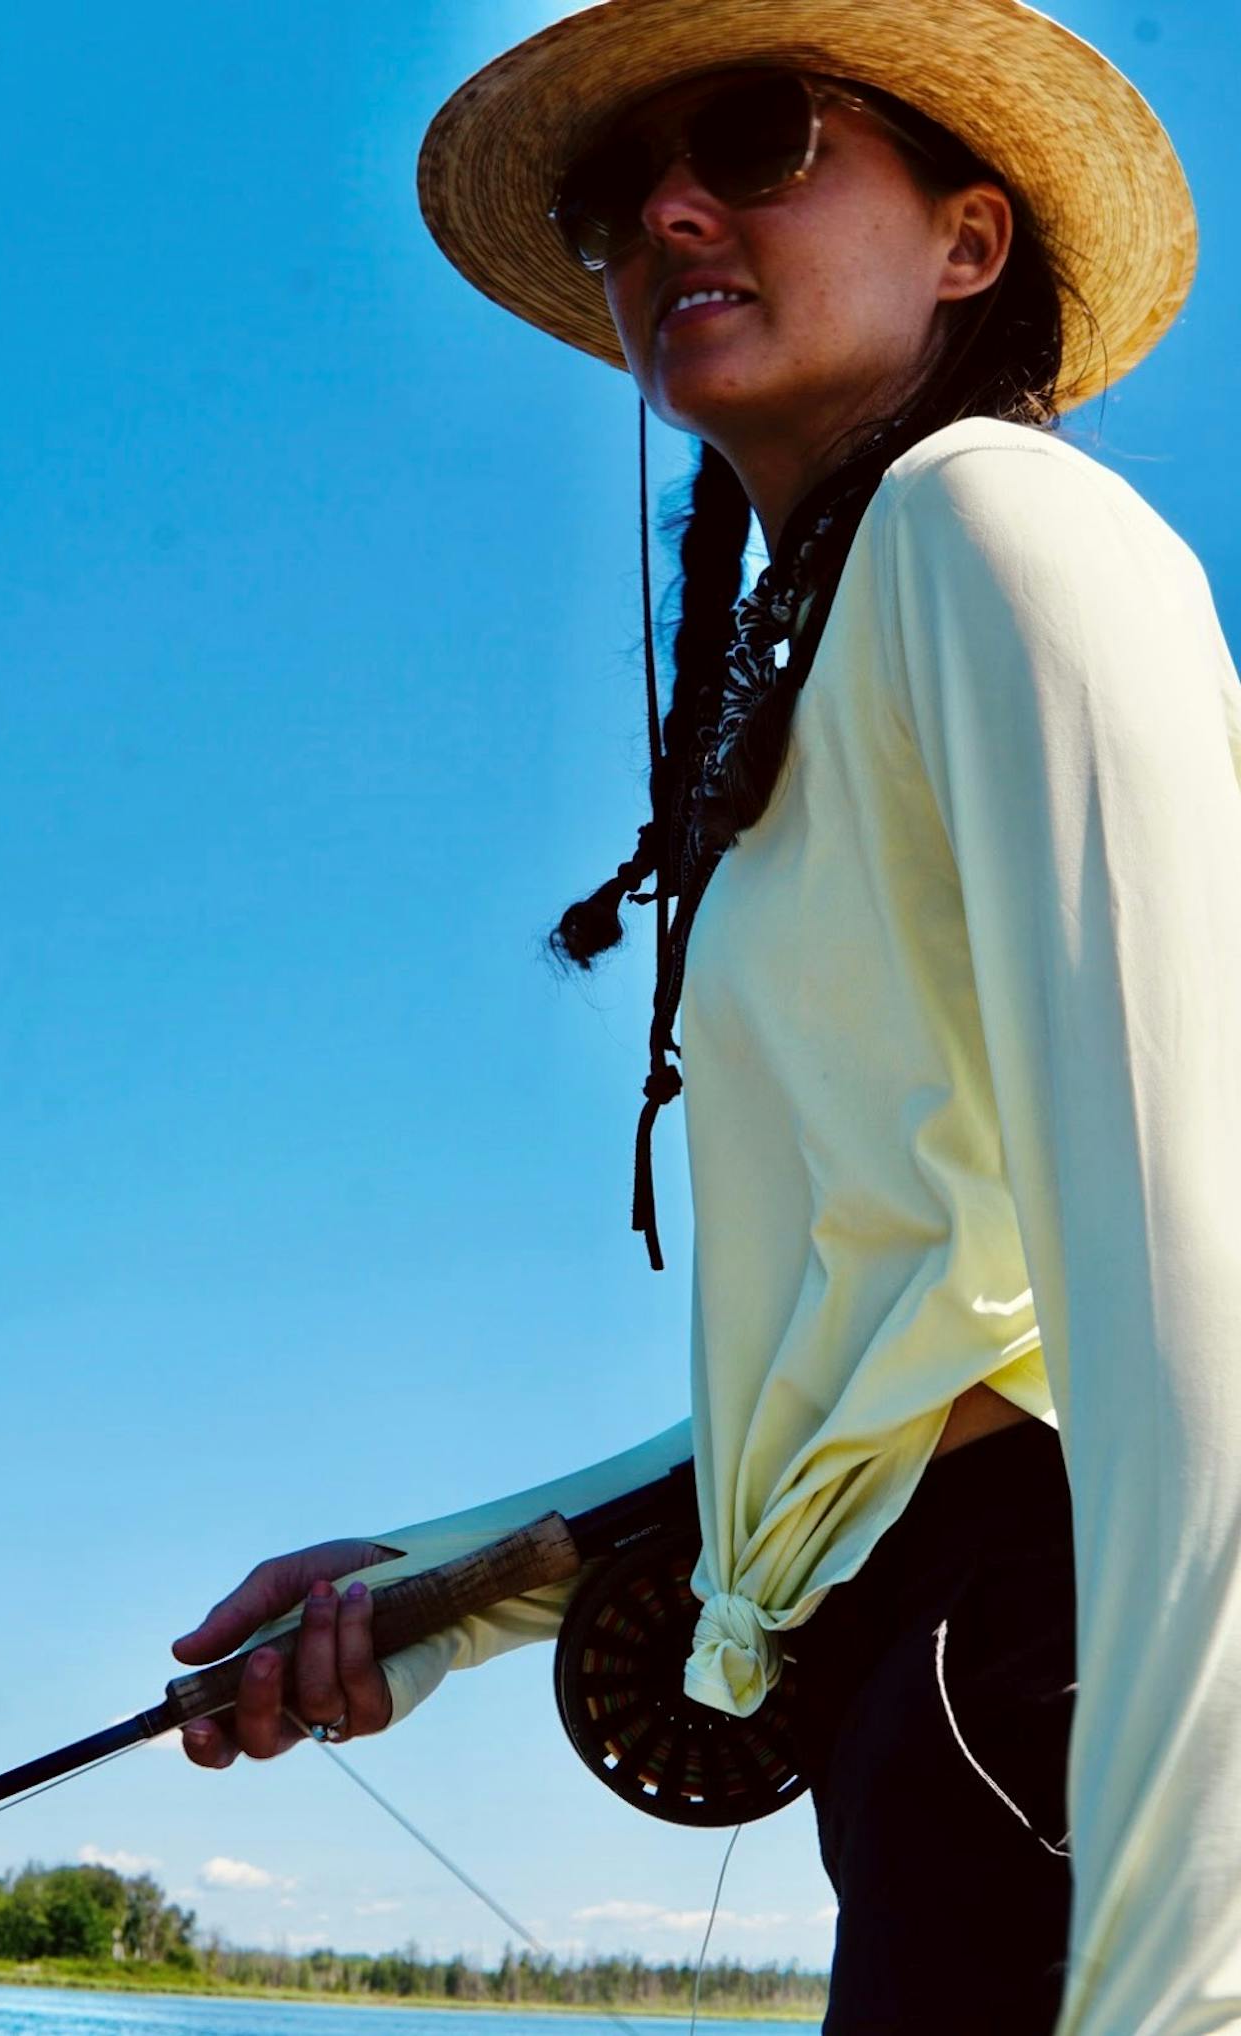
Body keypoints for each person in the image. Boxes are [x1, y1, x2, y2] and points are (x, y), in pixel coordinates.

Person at [172, 3, 1241, 2031]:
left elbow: (1202, 1273)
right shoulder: (841, 628)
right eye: (615, 188)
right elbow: (895, 1359)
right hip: (938, 1700)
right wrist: (432, 1587)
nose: (667, 209)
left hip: (1067, 1687)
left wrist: (1187, 1984)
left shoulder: (994, 520)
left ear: (968, 241)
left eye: (757, 138)